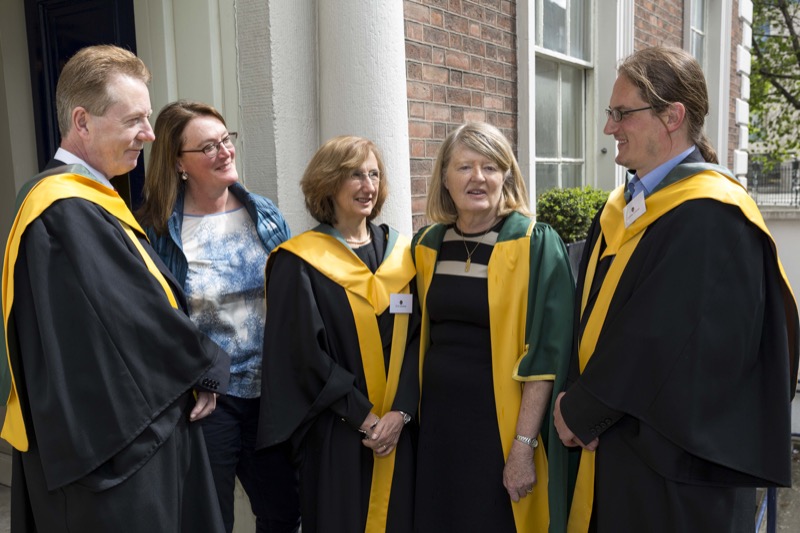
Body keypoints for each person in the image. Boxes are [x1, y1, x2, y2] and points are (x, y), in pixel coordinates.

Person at [553, 46, 800, 533]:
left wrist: (580, 411)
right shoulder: (632, 206)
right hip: (626, 459)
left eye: (622, 113)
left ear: (673, 116)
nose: (609, 128)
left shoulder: (713, 217)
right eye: (611, 113)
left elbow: (655, 339)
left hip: (679, 478)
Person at [1, 45, 231, 532]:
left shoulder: (87, 201)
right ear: (82, 122)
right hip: (113, 455)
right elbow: (129, 320)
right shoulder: (62, 211)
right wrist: (205, 365)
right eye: (134, 121)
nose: (149, 134)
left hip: (123, 435)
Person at [136, 100, 299, 533]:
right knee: (210, 519)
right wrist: (196, 378)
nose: (224, 152)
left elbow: (289, 300)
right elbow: (154, 319)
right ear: (178, 162)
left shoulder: (262, 213)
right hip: (209, 398)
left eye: (226, 140)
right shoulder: (157, 228)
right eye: (208, 147)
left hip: (271, 394)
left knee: (283, 511)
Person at [411, 122, 575, 532]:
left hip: (500, 429)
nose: (478, 178)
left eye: (490, 166)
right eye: (464, 167)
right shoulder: (427, 245)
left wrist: (523, 446)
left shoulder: (534, 243)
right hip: (436, 428)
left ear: (507, 175)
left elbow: (546, 352)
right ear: (445, 179)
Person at [256, 136, 418, 533]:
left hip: (400, 428)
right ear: (328, 183)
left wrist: (400, 411)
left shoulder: (403, 254)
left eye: (374, 174)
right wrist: (363, 417)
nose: (367, 186)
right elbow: (301, 356)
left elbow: (420, 338)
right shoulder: (299, 262)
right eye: (354, 175)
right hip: (339, 433)